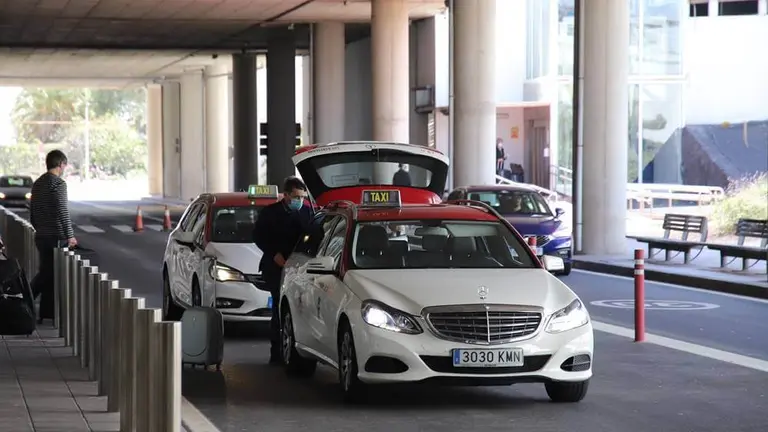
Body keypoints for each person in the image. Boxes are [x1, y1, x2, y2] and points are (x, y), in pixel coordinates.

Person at [253, 176, 313, 364]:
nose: (299, 201)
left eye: (302, 197)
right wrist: (274, 254)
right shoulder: (270, 213)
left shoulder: (307, 213)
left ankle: (297, 348)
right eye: (296, 197)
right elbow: (258, 236)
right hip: (276, 268)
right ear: (285, 195)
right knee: (279, 308)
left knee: (298, 308)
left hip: (299, 269)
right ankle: (277, 352)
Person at [29, 150, 77, 323]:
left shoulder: (38, 183)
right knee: (47, 274)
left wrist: (39, 228)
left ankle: (46, 313)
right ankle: (25, 298)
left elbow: (32, 212)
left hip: (41, 235)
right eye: (64, 165)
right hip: (55, 237)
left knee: (49, 274)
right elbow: (62, 211)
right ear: (61, 164)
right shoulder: (58, 184)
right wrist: (70, 236)